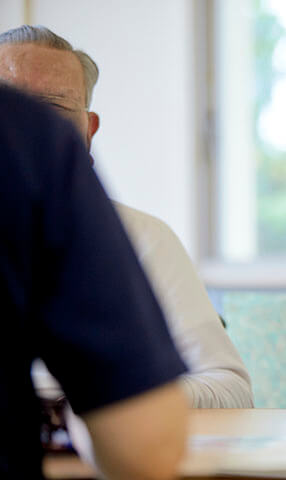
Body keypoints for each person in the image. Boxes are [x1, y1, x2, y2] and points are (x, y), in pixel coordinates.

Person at [0, 24, 253, 408]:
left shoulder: (143, 239)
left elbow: (231, 391)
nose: (26, 137)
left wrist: (107, 397)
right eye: (10, 109)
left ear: (87, 132)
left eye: (51, 114)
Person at [0, 85, 189, 479]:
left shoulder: (150, 238)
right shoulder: (28, 138)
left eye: (52, 103)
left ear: (89, 128)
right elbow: (145, 448)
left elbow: (227, 381)